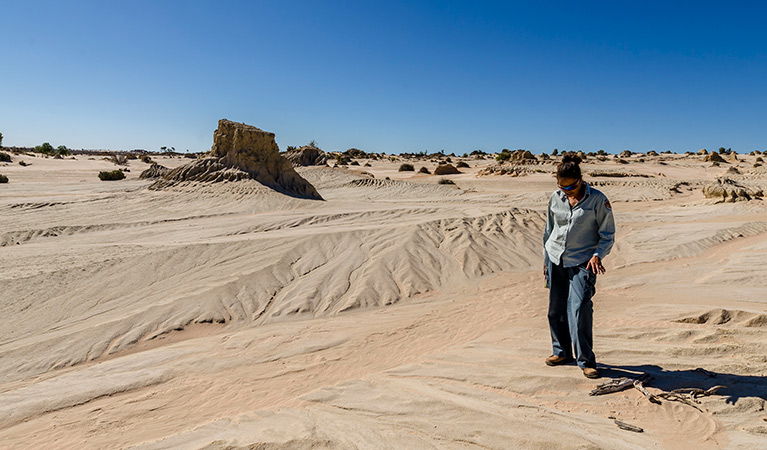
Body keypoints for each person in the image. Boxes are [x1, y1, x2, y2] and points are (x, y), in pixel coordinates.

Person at [542, 152, 615, 379]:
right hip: (556, 258)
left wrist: (598, 255)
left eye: (571, 187)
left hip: (584, 261)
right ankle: (561, 352)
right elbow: (549, 230)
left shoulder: (597, 200)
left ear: (581, 179)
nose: (567, 191)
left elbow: (608, 234)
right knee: (556, 309)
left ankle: (586, 361)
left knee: (581, 307)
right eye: (562, 187)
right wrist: (546, 258)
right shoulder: (555, 198)